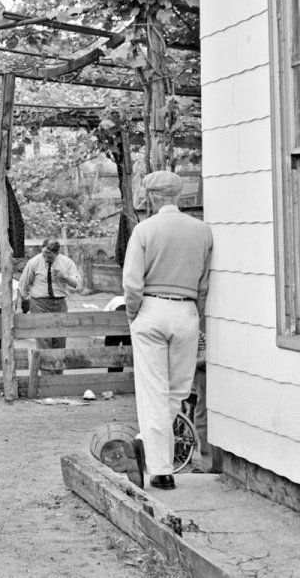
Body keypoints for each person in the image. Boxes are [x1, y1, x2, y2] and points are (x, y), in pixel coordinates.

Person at [122, 170, 212, 491]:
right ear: (179, 197)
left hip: (150, 307)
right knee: (177, 389)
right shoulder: (203, 232)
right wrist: (194, 314)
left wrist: (135, 315)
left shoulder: (144, 231)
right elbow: (204, 284)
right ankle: (158, 465)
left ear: (150, 198)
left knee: (152, 390)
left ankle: (151, 455)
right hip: (187, 310)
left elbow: (131, 284)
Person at [18, 238, 83, 368]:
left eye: (49, 255)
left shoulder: (66, 263)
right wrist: (19, 308)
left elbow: (79, 285)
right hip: (40, 304)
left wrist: (65, 277)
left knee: (59, 340)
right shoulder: (34, 262)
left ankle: (58, 376)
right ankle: (46, 376)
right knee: (43, 340)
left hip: (59, 304)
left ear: (56, 253)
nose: (46, 257)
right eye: (44, 254)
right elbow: (22, 286)